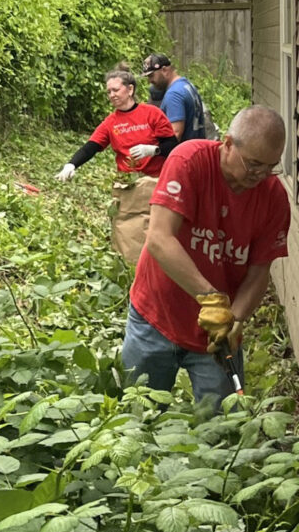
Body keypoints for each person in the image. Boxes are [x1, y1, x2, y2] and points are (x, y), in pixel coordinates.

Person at [122, 105, 289, 409]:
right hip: (155, 315)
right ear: (227, 143)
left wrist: (235, 319)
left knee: (223, 428)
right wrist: (211, 299)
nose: (261, 175)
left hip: (216, 332)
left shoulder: (274, 197)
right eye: (253, 164)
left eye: (270, 167)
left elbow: (259, 270)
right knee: (138, 416)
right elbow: (160, 238)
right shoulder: (189, 161)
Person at [56, 65, 177, 263]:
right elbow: (91, 147)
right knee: (126, 230)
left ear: (130, 90)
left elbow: (172, 146)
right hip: (127, 185)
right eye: (108, 92)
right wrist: (71, 165)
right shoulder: (111, 122)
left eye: (116, 90)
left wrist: (152, 150)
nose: (111, 95)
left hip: (155, 182)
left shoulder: (152, 114)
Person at [141, 53, 205, 140]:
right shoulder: (187, 85)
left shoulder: (173, 95)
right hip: (197, 147)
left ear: (164, 70)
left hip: (184, 151)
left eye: (151, 76)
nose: (150, 81)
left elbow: (175, 134)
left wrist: (155, 149)